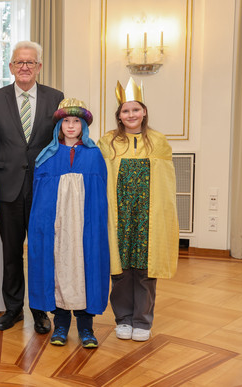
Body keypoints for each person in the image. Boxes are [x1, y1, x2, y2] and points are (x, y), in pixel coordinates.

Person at [0, 41, 64, 333]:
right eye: (19, 62)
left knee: (42, 251)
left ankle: (40, 311)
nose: (25, 67)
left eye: (31, 62)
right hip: (8, 189)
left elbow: (59, 143)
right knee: (11, 253)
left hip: (43, 190)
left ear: (40, 67)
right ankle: (14, 308)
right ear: (10, 67)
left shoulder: (56, 98)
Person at [98, 78, 179, 342]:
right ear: (119, 116)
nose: (131, 115)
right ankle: (122, 319)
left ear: (144, 111)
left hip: (148, 216)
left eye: (135, 109)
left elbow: (166, 185)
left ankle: (142, 321)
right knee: (120, 270)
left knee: (145, 270)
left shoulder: (158, 141)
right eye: (125, 111)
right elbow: (100, 178)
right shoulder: (108, 141)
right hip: (119, 215)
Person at [28, 98, 110, 348]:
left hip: (85, 228)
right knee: (58, 269)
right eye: (67, 121)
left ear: (84, 126)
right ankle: (61, 324)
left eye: (77, 121)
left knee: (86, 269)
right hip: (56, 228)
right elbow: (39, 198)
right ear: (59, 125)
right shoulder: (46, 156)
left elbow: (100, 195)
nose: (71, 126)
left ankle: (86, 328)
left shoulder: (94, 155)